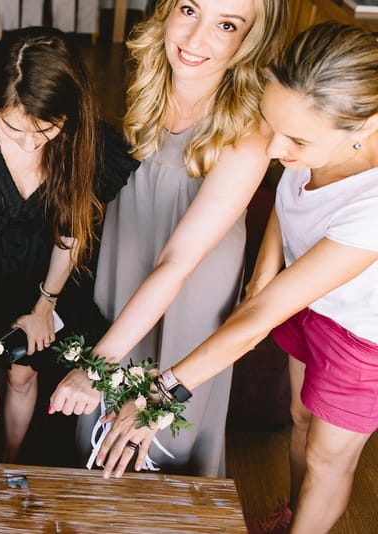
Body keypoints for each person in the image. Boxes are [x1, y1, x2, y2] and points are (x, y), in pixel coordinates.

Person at [97, 21, 378, 534]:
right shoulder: (309, 138)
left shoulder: (372, 205)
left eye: (294, 140)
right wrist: (264, 270)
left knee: (326, 459)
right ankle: (295, 515)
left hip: (362, 337)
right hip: (309, 303)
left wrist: (163, 394)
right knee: (297, 421)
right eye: (273, 128)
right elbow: (293, 205)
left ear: (365, 126)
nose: (274, 151)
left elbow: (258, 319)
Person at [49, 0, 286, 477]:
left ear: (249, 40)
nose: (197, 39)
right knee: (103, 419)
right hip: (129, 261)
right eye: (189, 9)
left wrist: (95, 366)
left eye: (226, 25)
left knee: (164, 433)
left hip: (190, 281)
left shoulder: (249, 131)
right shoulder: (149, 85)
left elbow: (178, 263)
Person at [0, 26, 138, 462]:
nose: (31, 142)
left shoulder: (82, 143)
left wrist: (45, 305)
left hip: (42, 276)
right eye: (14, 129)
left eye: (46, 129)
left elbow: (71, 234)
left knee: (23, 375)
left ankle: (12, 460)